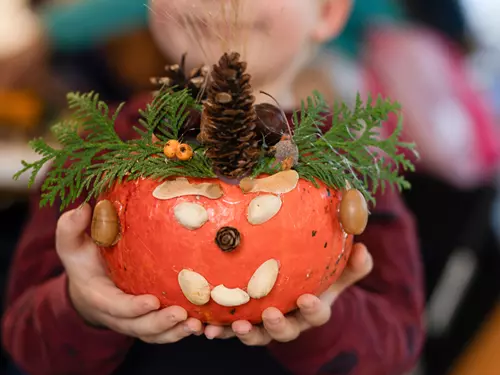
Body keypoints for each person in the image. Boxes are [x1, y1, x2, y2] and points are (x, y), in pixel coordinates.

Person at [1, 1, 425, 374]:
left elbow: (399, 348)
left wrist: (324, 314)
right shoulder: (99, 149)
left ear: (329, 11)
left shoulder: (348, 164)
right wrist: (81, 305)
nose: (222, 3)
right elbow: (26, 345)